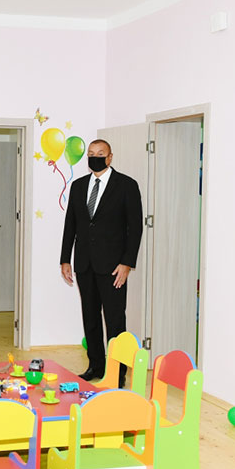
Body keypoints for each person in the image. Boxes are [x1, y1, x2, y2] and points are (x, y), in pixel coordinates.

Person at [60, 139, 142, 387]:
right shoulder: (78, 186)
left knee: (115, 320)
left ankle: (117, 374)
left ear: (110, 157)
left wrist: (127, 263)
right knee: (90, 318)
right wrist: (65, 259)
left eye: (100, 153)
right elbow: (71, 225)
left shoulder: (126, 185)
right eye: (91, 153)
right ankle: (96, 366)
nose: (95, 157)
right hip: (84, 264)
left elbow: (135, 228)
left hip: (114, 267)